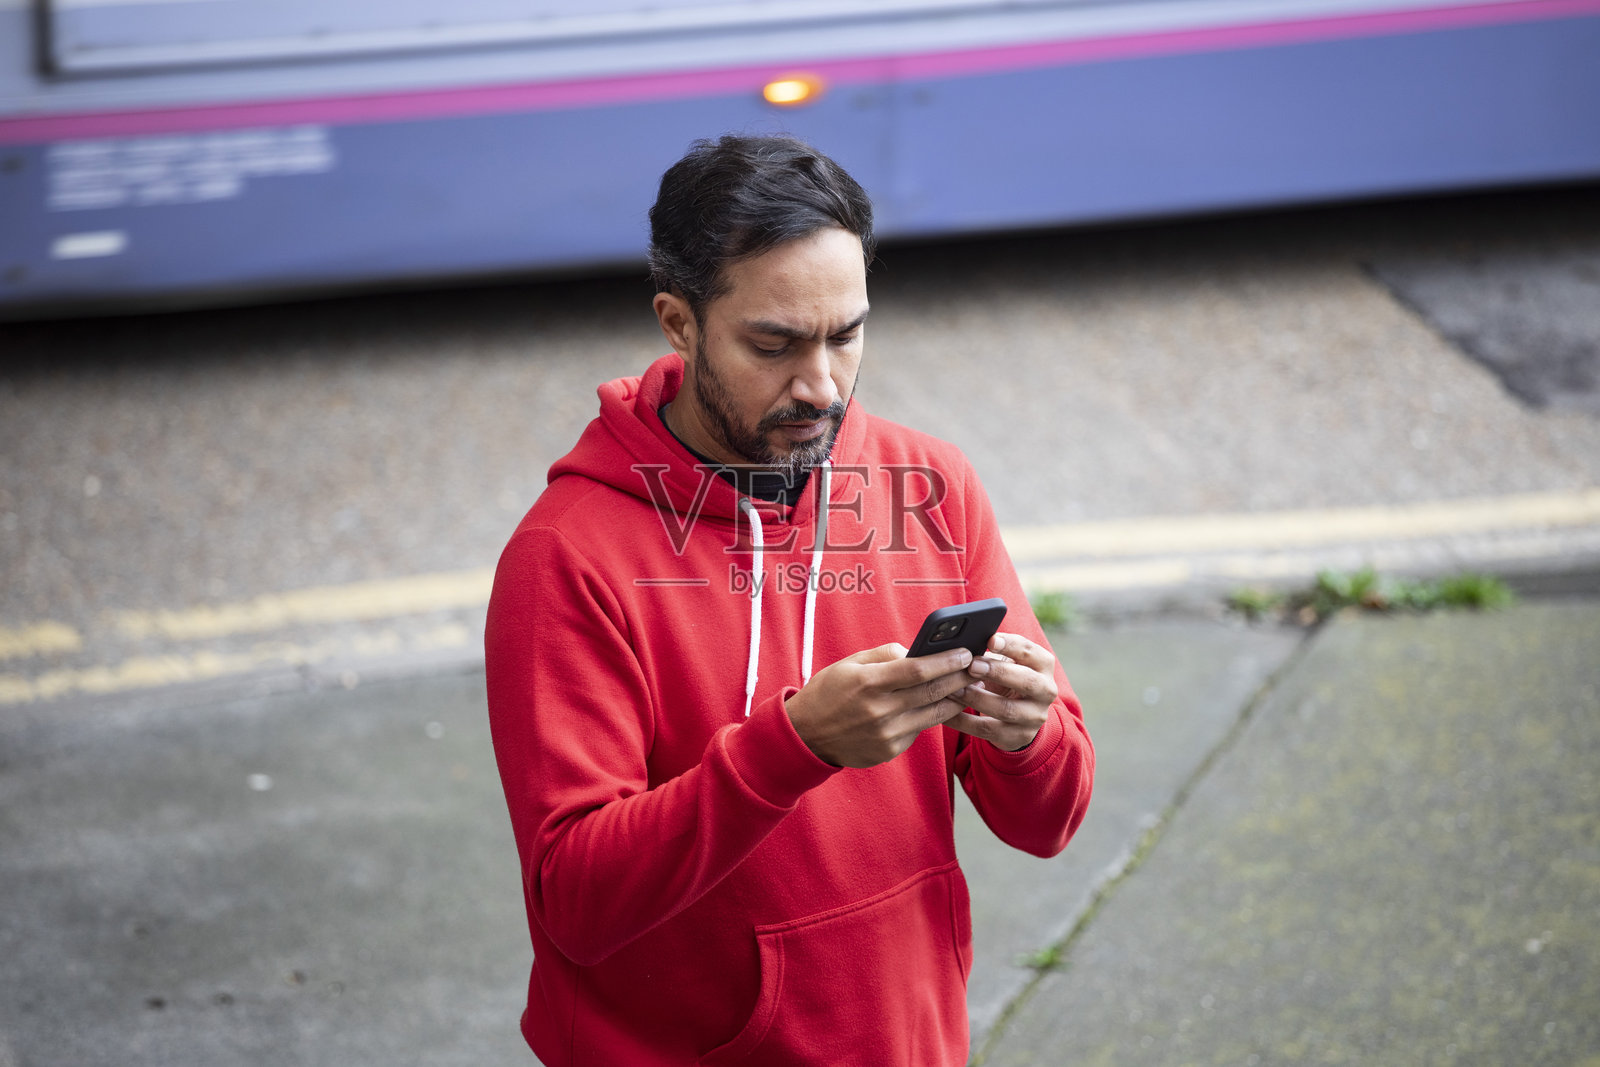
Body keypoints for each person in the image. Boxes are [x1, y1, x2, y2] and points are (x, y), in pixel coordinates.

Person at [485, 133, 1094, 1066]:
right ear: (678, 323)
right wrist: (794, 746)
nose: (820, 386)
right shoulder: (565, 558)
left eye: (846, 336)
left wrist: (1029, 738)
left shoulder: (930, 484)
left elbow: (1049, 821)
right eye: (774, 344)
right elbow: (576, 904)